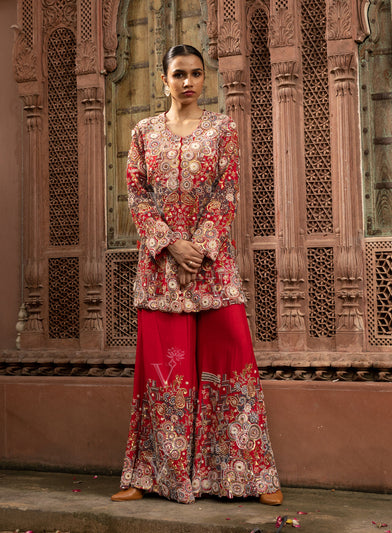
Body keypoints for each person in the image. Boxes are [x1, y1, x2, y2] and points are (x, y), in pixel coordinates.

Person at [111, 44, 282, 506]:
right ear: (163, 80)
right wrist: (171, 245)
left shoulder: (223, 129)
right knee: (163, 372)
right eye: (179, 74)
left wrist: (200, 249)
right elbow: (137, 195)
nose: (188, 82)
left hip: (213, 267)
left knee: (232, 362)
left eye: (196, 74)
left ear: (205, 80)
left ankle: (250, 476)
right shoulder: (144, 133)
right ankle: (146, 476)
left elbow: (227, 192)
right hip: (162, 268)